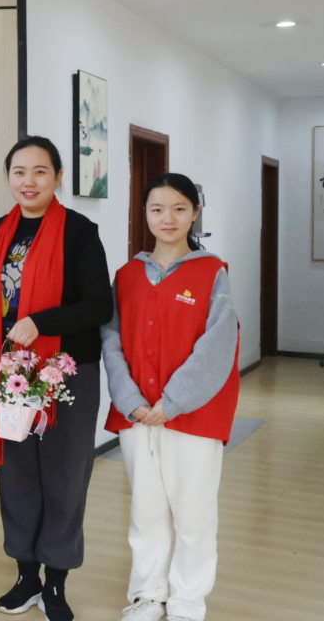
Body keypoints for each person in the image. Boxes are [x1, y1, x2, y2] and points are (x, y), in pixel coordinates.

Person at [0, 136, 113, 621]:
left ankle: (56, 581)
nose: (28, 181)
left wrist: (42, 322)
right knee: (16, 476)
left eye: (39, 172)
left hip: (66, 372)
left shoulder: (80, 232)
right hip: (8, 371)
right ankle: (25, 575)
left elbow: (99, 305)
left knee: (64, 476)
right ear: (8, 178)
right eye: (19, 172)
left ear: (57, 177)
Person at [100, 173, 239, 621]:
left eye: (179, 208)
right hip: (138, 414)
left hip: (192, 416)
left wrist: (174, 401)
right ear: (144, 214)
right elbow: (111, 340)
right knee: (146, 511)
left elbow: (218, 345)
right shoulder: (126, 276)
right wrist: (128, 398)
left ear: (195, 213)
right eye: (157, 209)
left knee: (194, 515)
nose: (168, 218)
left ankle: (186, 602)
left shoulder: (212, 272)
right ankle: (148, 595)